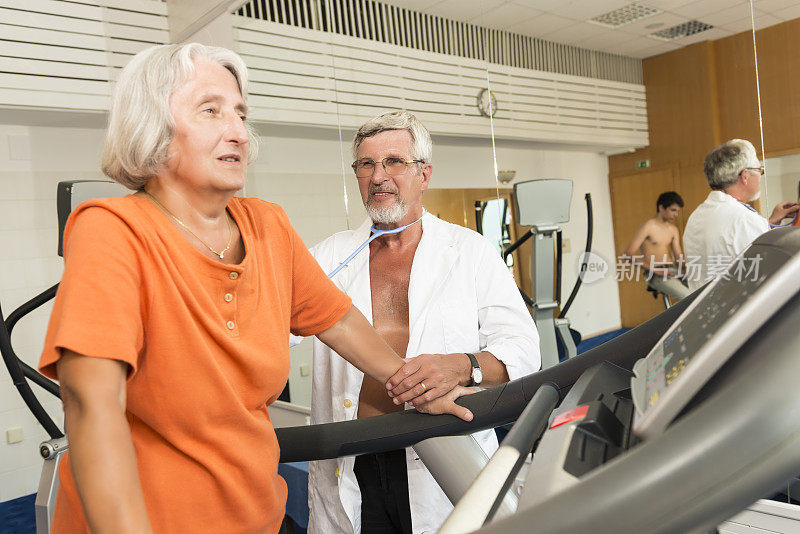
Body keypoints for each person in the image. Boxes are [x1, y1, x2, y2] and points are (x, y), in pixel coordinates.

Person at [37, 44, 469, 534]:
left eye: (241, 113)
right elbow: (91, 407)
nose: (239, 132)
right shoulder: (112, 229)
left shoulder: (266, 225)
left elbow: (338, 319)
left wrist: (412, 386)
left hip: (257, 514)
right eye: (211, 110)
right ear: (151, 126)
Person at [305, 111, 541, 534]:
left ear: (424, 173)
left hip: (441, 460)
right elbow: (265, 331)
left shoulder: (470, 251)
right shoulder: (325, 258)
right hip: (354, 463)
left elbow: (523, 350)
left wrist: (462, 364)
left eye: (394, 161)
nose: (379, 176)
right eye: (366, 164)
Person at [683, 139, 799, 291]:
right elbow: (768, 273)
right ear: (745, 176)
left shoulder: (697, 216)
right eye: (759, 170)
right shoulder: (744, 220)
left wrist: (769, 222)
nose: (760, 176)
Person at [623, 191, 690, 301]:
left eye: (678, 211)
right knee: (687, 297)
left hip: (672, 270)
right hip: (655, 273)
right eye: (673, 210)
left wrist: (686, 270)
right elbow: (627, 254)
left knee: (701, 290)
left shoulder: (673, 230)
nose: (676, 214)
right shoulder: (648, 226)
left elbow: (678, 257)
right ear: (661, 207)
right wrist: (655, 270)